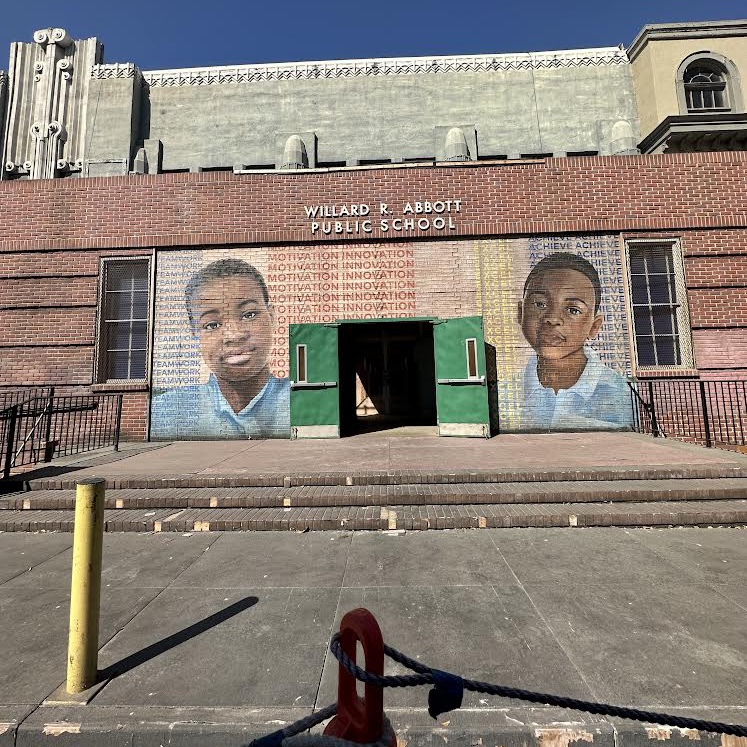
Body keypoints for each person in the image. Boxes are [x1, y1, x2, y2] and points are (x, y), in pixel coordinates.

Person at [150, 258, 290, 438]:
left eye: (249, 315)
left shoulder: (305, 401)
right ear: (194, 334)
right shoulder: (166, 411)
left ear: (271, 317)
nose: (234, 335)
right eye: (212, 325)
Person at [501, 252, 632, 431]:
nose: (552, 319)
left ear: (594, 327)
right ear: (520, 313)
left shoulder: (623, 394)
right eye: (539, 304)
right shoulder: (502, 394)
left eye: (573, 309)